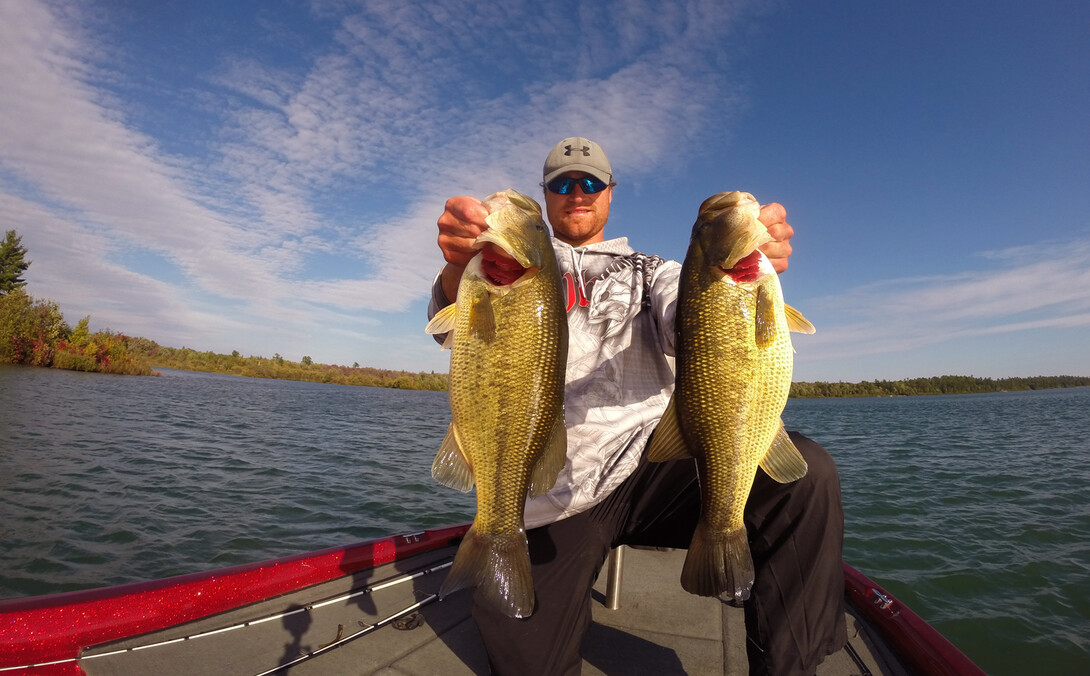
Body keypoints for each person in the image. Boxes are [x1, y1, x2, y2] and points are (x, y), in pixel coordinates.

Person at [429, 137, 846, 675]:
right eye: (561, 184)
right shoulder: (501, 266)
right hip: (556, 488)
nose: (576, 193)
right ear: (546, 195)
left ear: (610, 193)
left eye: (590, 183)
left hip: (656, 467)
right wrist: (457, 265)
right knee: (527, 659)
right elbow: (452, 330)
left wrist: (739, 275)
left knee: (806, 477)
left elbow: (689, 317)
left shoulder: (656, 272)